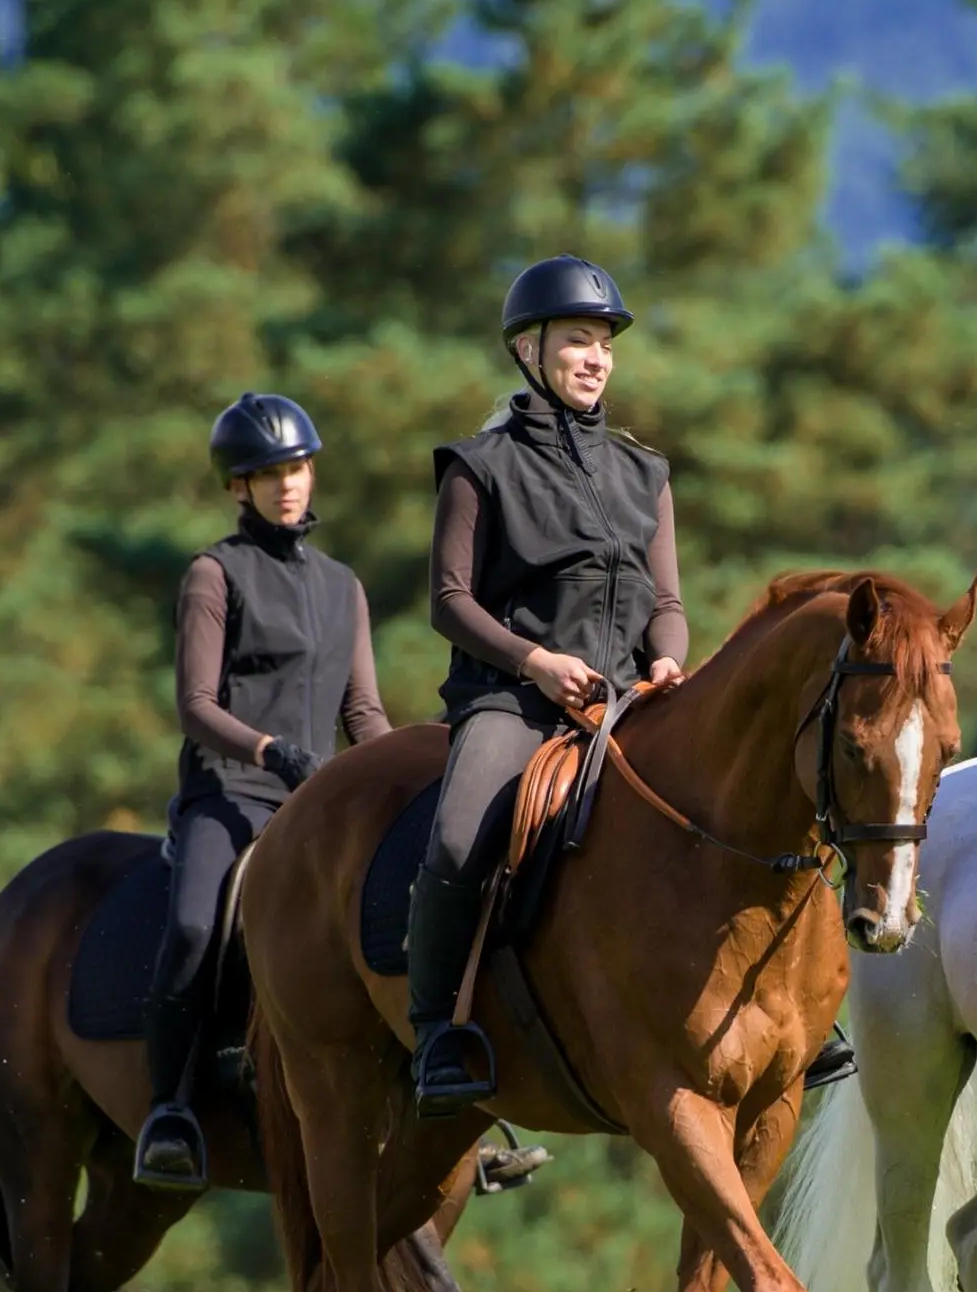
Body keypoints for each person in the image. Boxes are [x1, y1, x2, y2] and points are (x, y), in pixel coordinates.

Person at [401, 254, 688, 1106]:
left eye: (604, 343)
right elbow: (449, 602)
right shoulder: (478, 465)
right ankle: (434, 1034)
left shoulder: (645, 471)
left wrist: (669, 656)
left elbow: (664, 599)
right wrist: (533, 661)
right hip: (516, 700)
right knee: (456, 838)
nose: (596, 358)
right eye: (577, 341)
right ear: (530, 351)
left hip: (631, 700)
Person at [133, 393, 389, 1190]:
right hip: (231, 793)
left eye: (299, 467)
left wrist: (401, 778)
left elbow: (363, 711)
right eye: (270, 473)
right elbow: (196, 707)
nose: (289, 485)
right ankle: (166, 1108)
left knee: (408, 909)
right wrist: (272, 752)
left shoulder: (343, 586)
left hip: (317, 804)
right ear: (237, 487)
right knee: (191, 926)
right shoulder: (215, 574)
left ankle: (451, 1104)